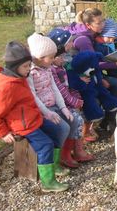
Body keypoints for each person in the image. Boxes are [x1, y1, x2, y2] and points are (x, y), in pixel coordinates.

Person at [0, 41, 69, 192]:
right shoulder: (7, 86)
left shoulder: (20, 77)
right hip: (22, 125)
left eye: (29, 65)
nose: (29, 69)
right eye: (26, 66)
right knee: (46, 144)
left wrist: (46, 113)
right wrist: (3, 132)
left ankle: (54, 166)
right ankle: (48, 182)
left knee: (58, 131)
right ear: (14, 67)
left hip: (33, 119)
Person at [27, 32, 79, 170]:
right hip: (42, 111)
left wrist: (63, 108)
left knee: (73, 121)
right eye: (51, 57)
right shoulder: (30, 72)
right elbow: (33, 96)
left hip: (54, 106)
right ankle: (53, 164)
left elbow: (55, 89)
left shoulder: (48, 68)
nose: (54, 59)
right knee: (63, 128)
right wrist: (46, 113)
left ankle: (63, 155)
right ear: (40, 57)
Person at [48, 28, 95, 162]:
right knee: (76, 119)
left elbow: (70, 86)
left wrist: (77, 99)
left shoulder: (62, 67)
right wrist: (74, 102)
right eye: (59, 57)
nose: (62, 59)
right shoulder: (53, 70)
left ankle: (77, 149)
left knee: (79, 114)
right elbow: (60, 90)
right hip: (58, 104)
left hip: (67, 102)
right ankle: (69, 153)